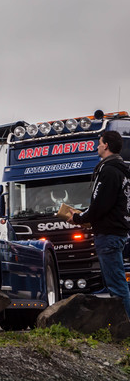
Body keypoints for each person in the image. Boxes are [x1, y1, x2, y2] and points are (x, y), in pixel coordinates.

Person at [67, 130, 130, 318]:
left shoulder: (109, 171)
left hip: (108, 235)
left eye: (99, 142)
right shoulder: (122, 171)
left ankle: (126, 328)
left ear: (106, 146)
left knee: (117, 287)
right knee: (117, 284)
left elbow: (100, 205)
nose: (97, 146)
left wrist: (78, 218)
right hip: (116, 233)